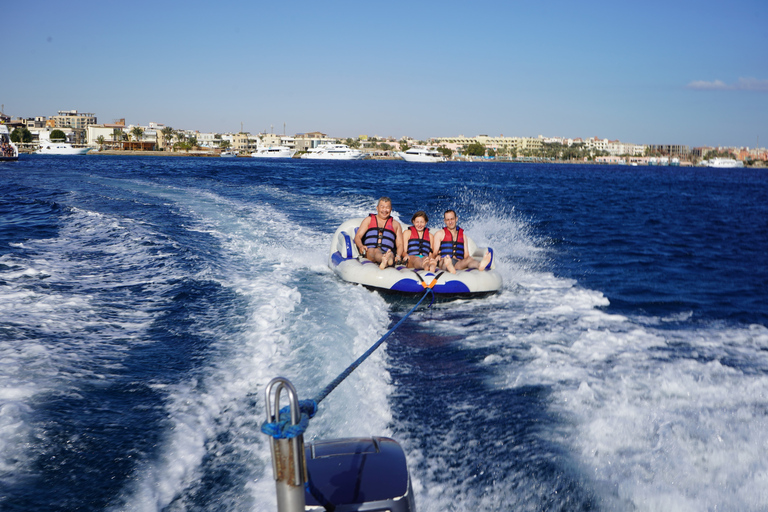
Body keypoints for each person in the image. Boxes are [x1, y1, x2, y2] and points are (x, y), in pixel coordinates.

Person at [432, 209, 492, 274]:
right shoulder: (439, 234)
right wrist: (437, 256)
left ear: (456, 219)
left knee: (469, 259)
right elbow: (434, 252)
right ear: (445, 221)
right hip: (444, 260)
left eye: (452, 219)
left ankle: (480, 265)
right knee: (445, 261)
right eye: (448, 220)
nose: (450, 222)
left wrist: (467, 261)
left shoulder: (463, 236)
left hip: (458, 262)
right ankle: (449, 267)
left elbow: (466, 255)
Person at [354, 197, 404, 269]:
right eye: (382, 207)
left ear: (391, 209)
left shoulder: (396, 224)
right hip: (370, 251)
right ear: (377, 208)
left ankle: (387, 259)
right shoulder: (369, 220)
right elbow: (358, 236)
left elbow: (400, 244)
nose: (384, 210)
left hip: (387, 251)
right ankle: (384, 259)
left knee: (390, 254)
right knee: (376, 251)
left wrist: (398, 255)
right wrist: (361, 246)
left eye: (387, 207)